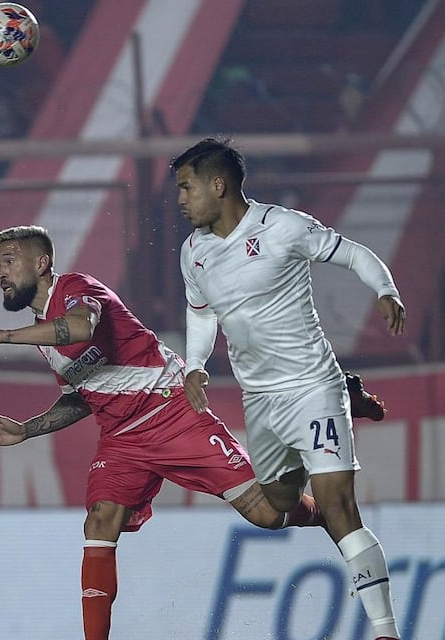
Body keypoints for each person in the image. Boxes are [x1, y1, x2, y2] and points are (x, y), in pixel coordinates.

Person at [0, 225, 325, 640]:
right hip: (121, 439)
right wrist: (27, 430)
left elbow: (81, 328)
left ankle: (325, 511)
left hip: (170, 411)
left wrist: (4, 337)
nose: (0, 272)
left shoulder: (77, 288)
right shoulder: (42, 335)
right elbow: (80, 398)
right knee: (99, 521)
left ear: (41, 264)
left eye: (8, 261)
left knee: (267, 514)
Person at [171, 137, 405, 640]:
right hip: (259, 398)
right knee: (276, 502)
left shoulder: (282, 227)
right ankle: (349, 402)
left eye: (187, 187)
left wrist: (385, 289)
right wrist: (196, 365)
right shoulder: (193, 252)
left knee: (339, 508)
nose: (181, 199)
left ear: (218, 185)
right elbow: (201, 312)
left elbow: (355, 254)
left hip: (311, 386)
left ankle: (385, 630)